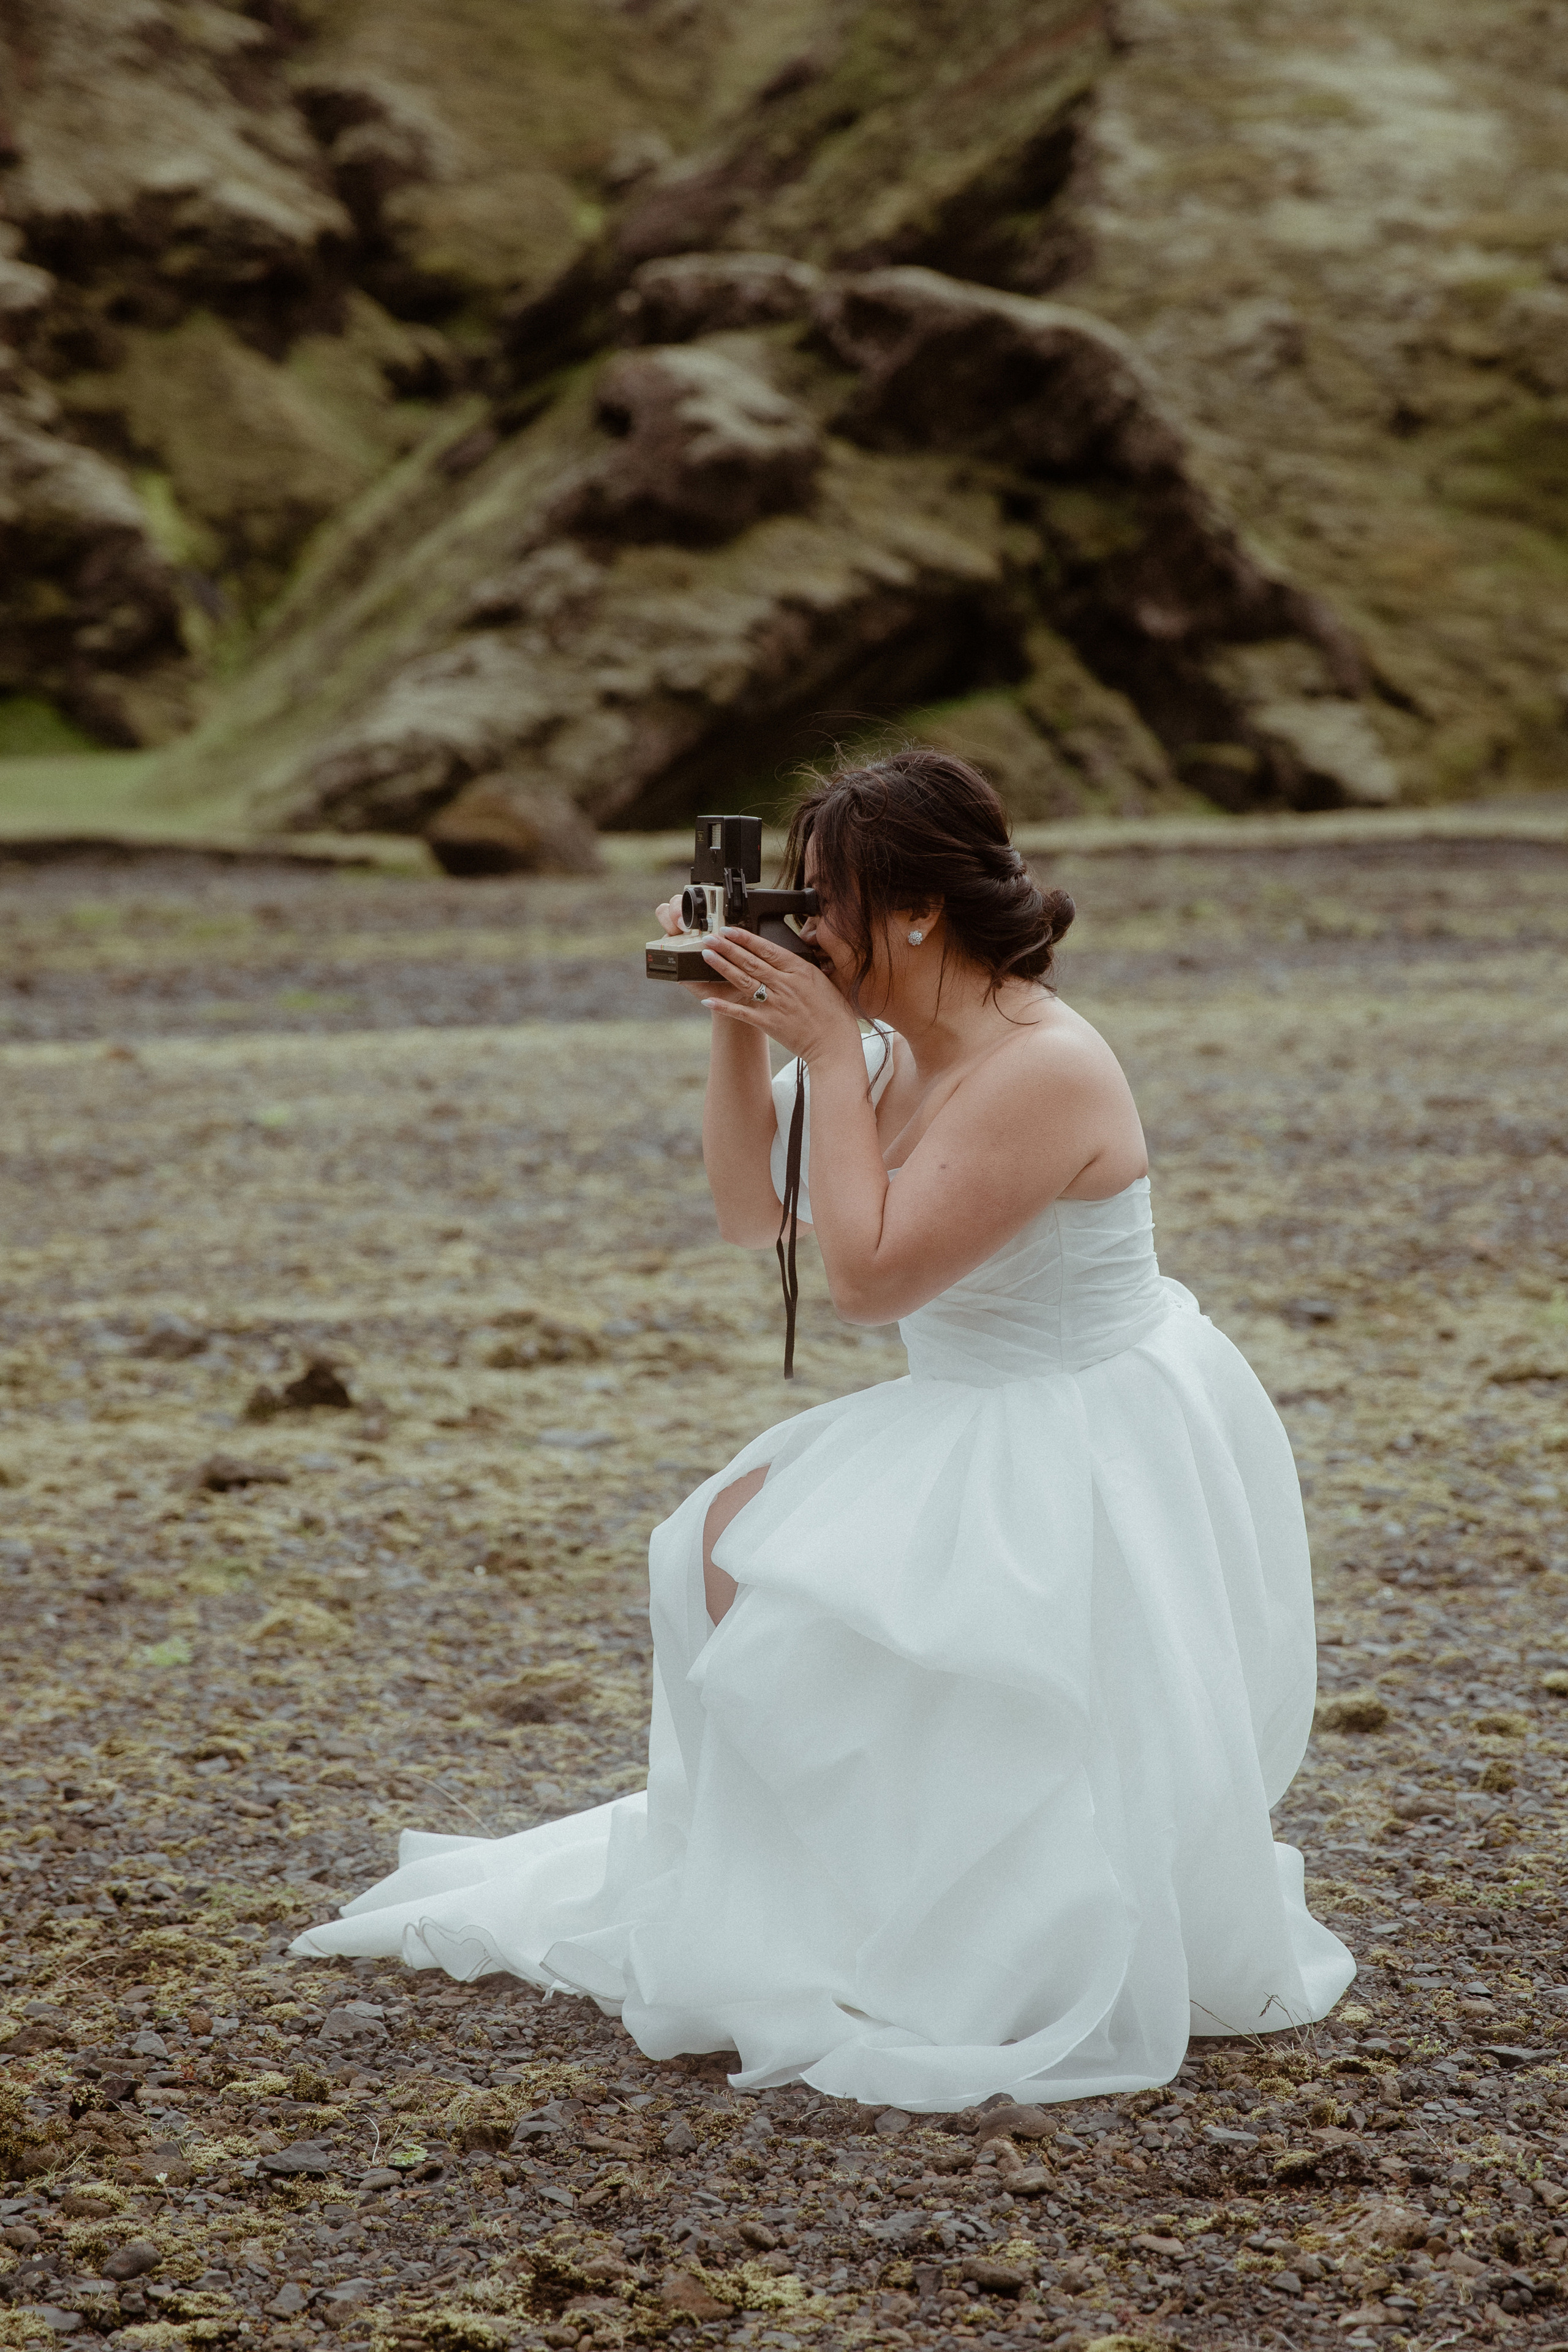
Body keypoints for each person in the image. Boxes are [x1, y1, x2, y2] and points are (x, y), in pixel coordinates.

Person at [291, 748, 1354, 2109]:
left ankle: (982, 1932)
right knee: (719, 1555)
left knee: (891, 1635)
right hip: (965, 1401)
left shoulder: (1046, 1066)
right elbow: (753, 1210)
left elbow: (865, 1282)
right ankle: (839, 1899)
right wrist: (740, 1027)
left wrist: (826, 1064)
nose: (806, 927)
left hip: (1075, 1419)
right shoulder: (890, 1047)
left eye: (826, 902)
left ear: (914, 912)